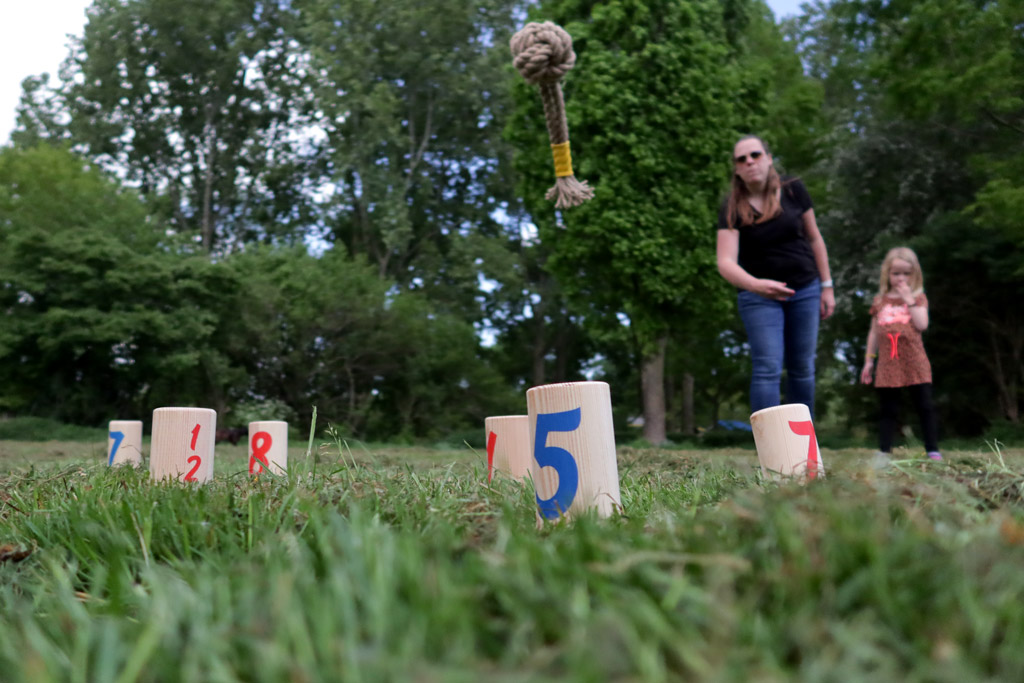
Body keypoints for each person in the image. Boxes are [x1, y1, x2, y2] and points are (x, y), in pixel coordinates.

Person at [716, 135, 835, 417]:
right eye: (741, 159)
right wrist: (757, 286)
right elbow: (725, 262)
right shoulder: (731, 205)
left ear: (769, 158)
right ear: (736, 168)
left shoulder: (793, 189)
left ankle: (804, 448)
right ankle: (770, 450)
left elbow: (815, 238)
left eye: (755, 155)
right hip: (759, 297)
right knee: (768, 367)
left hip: (805, 289)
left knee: (802, 368)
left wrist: (827, 286)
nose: (749, 162)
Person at [859, 247, 942, 461]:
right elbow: (874, 332)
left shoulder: (918, 297)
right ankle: (884, 451)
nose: (901, 278)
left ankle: (932, 449)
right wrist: (869, 361)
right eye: (896, 273)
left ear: (915, 274)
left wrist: (909, 299)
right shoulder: (880, 300)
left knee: (924, 405)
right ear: (887, 273)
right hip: (888, 362)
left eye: (906, 273)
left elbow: (922, 324)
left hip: (914, 360)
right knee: (888, 409)